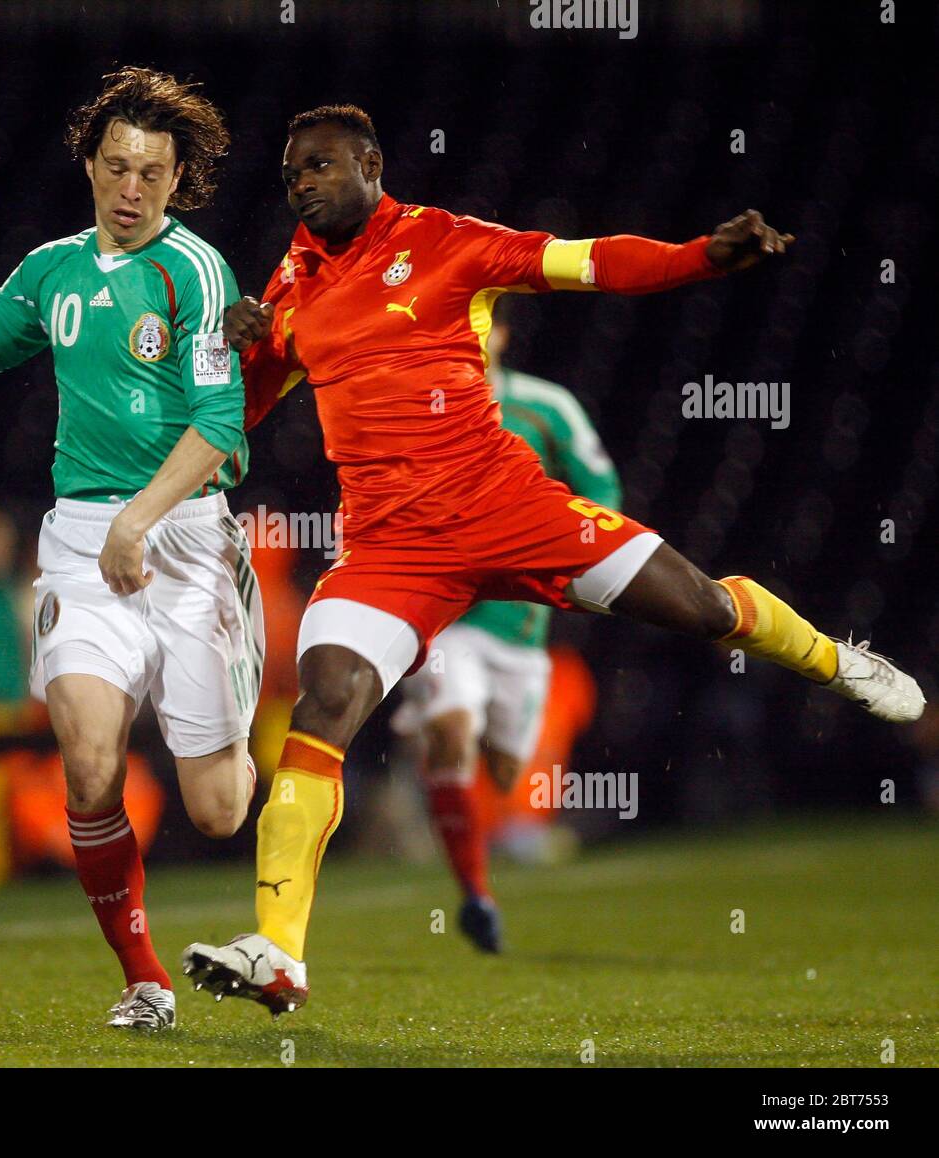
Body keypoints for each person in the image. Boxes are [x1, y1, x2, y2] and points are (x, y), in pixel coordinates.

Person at [182, 103, 924, 1017]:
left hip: (507, 507)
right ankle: (279, 951)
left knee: (701, 607)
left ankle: (838, 661)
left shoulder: (448, 241)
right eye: (293, 172)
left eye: (322, 166)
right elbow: (238, 421)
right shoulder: (290, 289)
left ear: (372, 164)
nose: (302, 183)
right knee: (324, 701)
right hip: (389, 547)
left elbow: (587, 260)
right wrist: (233, 354)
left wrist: (700, 256)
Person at [0, 67, 263, 1030]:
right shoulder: (51, 268)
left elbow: (221, 422)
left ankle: (240, 673)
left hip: (182, 539)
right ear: (91, 169)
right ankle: (145, 982)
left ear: (178, 175)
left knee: (221, 807)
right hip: (81, 542)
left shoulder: (195, 271)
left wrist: (141, 518)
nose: (132, 187)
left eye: (152, 170)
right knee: (87, 757)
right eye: (116, 168)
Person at [393, 313, 621, 952]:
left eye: (482, 325)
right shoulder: (416, 407)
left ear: (501, 336)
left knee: (502, 768)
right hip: (447, 619)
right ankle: (475, 892)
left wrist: (575, 560)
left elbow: (600, 488)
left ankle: (474, 822)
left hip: (521, 625)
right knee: (451, 733)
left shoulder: (546, 406)